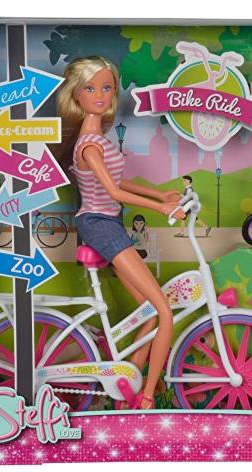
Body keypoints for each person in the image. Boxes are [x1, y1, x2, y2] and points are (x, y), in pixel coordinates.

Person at [57, 56, 183, 409]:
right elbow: (112, 192)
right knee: (164, 311)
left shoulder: (99, 138)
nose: (100, 95)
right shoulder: (89, 144)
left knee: (149, 310)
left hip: (108, 222)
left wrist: (159, 194)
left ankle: (132, 380)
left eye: (107, 88)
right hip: (98, 224)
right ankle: (146, 396)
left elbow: (117, 181)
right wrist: (160, 208)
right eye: (91, 88)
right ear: (77, 94)